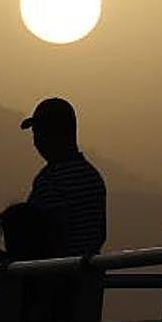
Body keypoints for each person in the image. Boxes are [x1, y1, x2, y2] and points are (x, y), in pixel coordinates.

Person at [20, 97, 107, 257]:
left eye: (38, 133)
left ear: (52, 134)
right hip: (85, 269)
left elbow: (42, 235)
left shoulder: (52, 179)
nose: (36, 142)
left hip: (59, 270)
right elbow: (100, 234)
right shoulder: (91, 175)